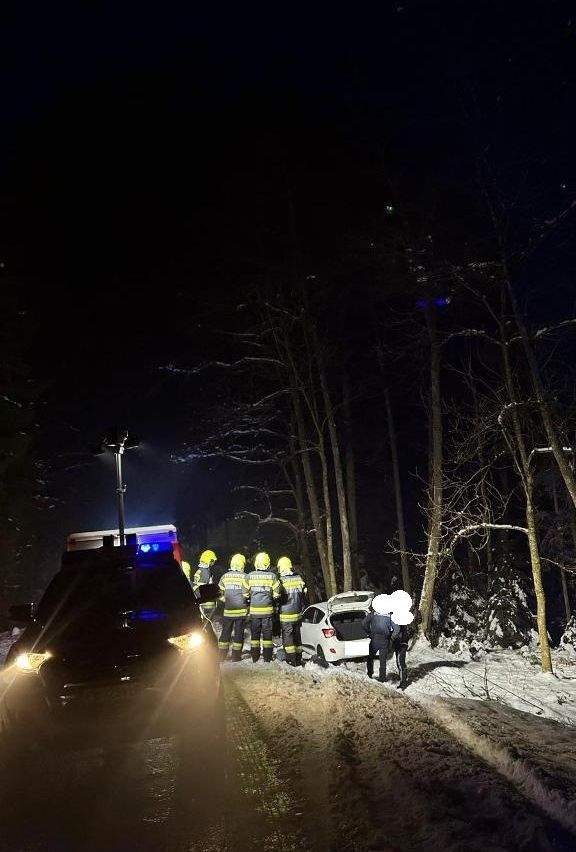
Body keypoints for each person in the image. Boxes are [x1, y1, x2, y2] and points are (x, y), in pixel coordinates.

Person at [247, 551, 281, 662]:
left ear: (256, 563)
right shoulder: (272, 577)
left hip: (254, 612)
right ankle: (267, 657)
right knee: (267, 636)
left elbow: (244, 593)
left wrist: (251, 597)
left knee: (255, 636)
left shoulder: (250, 576)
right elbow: (277, 594)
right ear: (267, 563)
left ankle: (255, 657)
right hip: (267, 612)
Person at [218, 553, 250, 662]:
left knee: (225, 633)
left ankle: (222, 656)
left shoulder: (225, 576)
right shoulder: (246, 576)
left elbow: (219, 593)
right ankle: (236, 656)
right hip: (241, 612)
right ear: (242, 565)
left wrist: (225, 600)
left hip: (228, 611)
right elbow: (247, 594)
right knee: (238, 634)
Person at [362, 594, 400, 682]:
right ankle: (382, 678)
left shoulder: (373, 614)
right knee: (382, 661)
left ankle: (369, 674)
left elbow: (363, 623)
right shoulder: (389, 615)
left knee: (370, 657)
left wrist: (368, 632)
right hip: (385, 640)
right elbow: (397, 629)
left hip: (374, 639)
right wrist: (392, 638)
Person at [277, 556, 307, 666]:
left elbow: (278, 597)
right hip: (297, 613)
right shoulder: (299, 579)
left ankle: (291, 659)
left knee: (288, 637)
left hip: (286, 614)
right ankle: (299, 658)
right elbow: (304, 594)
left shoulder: (281, 581)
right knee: (297, 636)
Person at [192, 549, 218, 621]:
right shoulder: (205, 572)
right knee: (210, 623)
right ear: (209, 560)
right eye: (212, 561)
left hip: (201, 601)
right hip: (207, 603)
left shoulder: (200, 570)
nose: (213, 563)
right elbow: (205, 588)